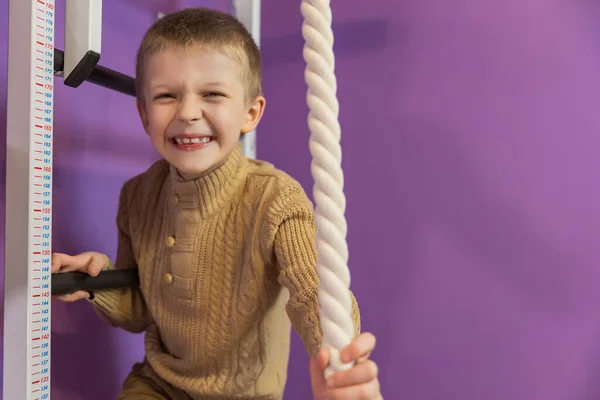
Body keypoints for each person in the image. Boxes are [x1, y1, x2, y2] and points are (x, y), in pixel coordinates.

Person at [52, 7, 381, 400]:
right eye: (166, 96)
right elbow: (140, 311)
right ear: (144, 114)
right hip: (159, 384)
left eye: (212, 94)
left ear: (250, 113)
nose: (188, 113)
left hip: (244, 394)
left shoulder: (275, 199)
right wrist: (97, 281)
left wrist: (339, 358)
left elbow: (313, 294)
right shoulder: (137, 196)